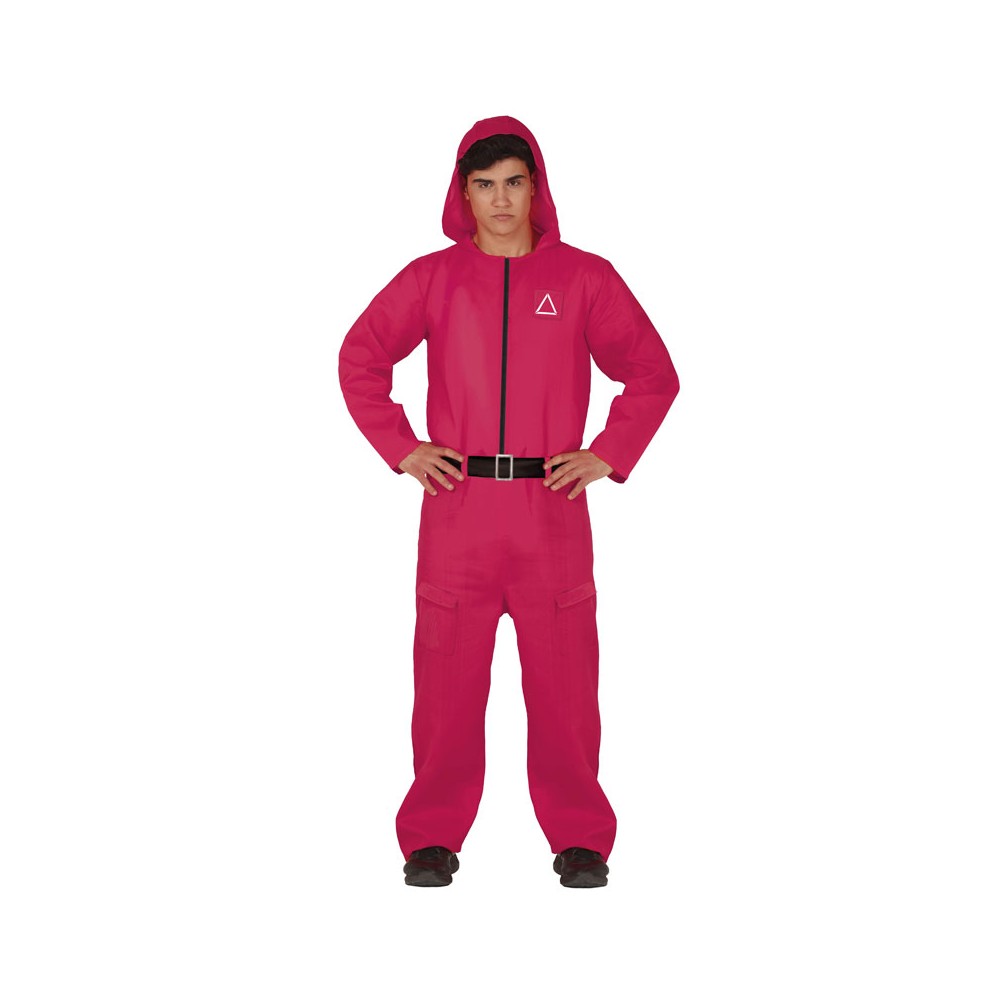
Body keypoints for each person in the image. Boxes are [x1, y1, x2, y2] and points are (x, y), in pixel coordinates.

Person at [338, 115, 679, 888]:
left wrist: (608, 452)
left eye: (514, 183)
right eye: (485, 185)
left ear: (536, 188)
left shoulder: (585, 279)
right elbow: (360, 356)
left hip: (550, 508)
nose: (500, 200)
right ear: (463, 193)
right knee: (446, 682)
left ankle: (581, 838)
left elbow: (652, 373)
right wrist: (402, 446)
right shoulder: (432, 279)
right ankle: (431, 837)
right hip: (457, 507)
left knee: (565, 683)